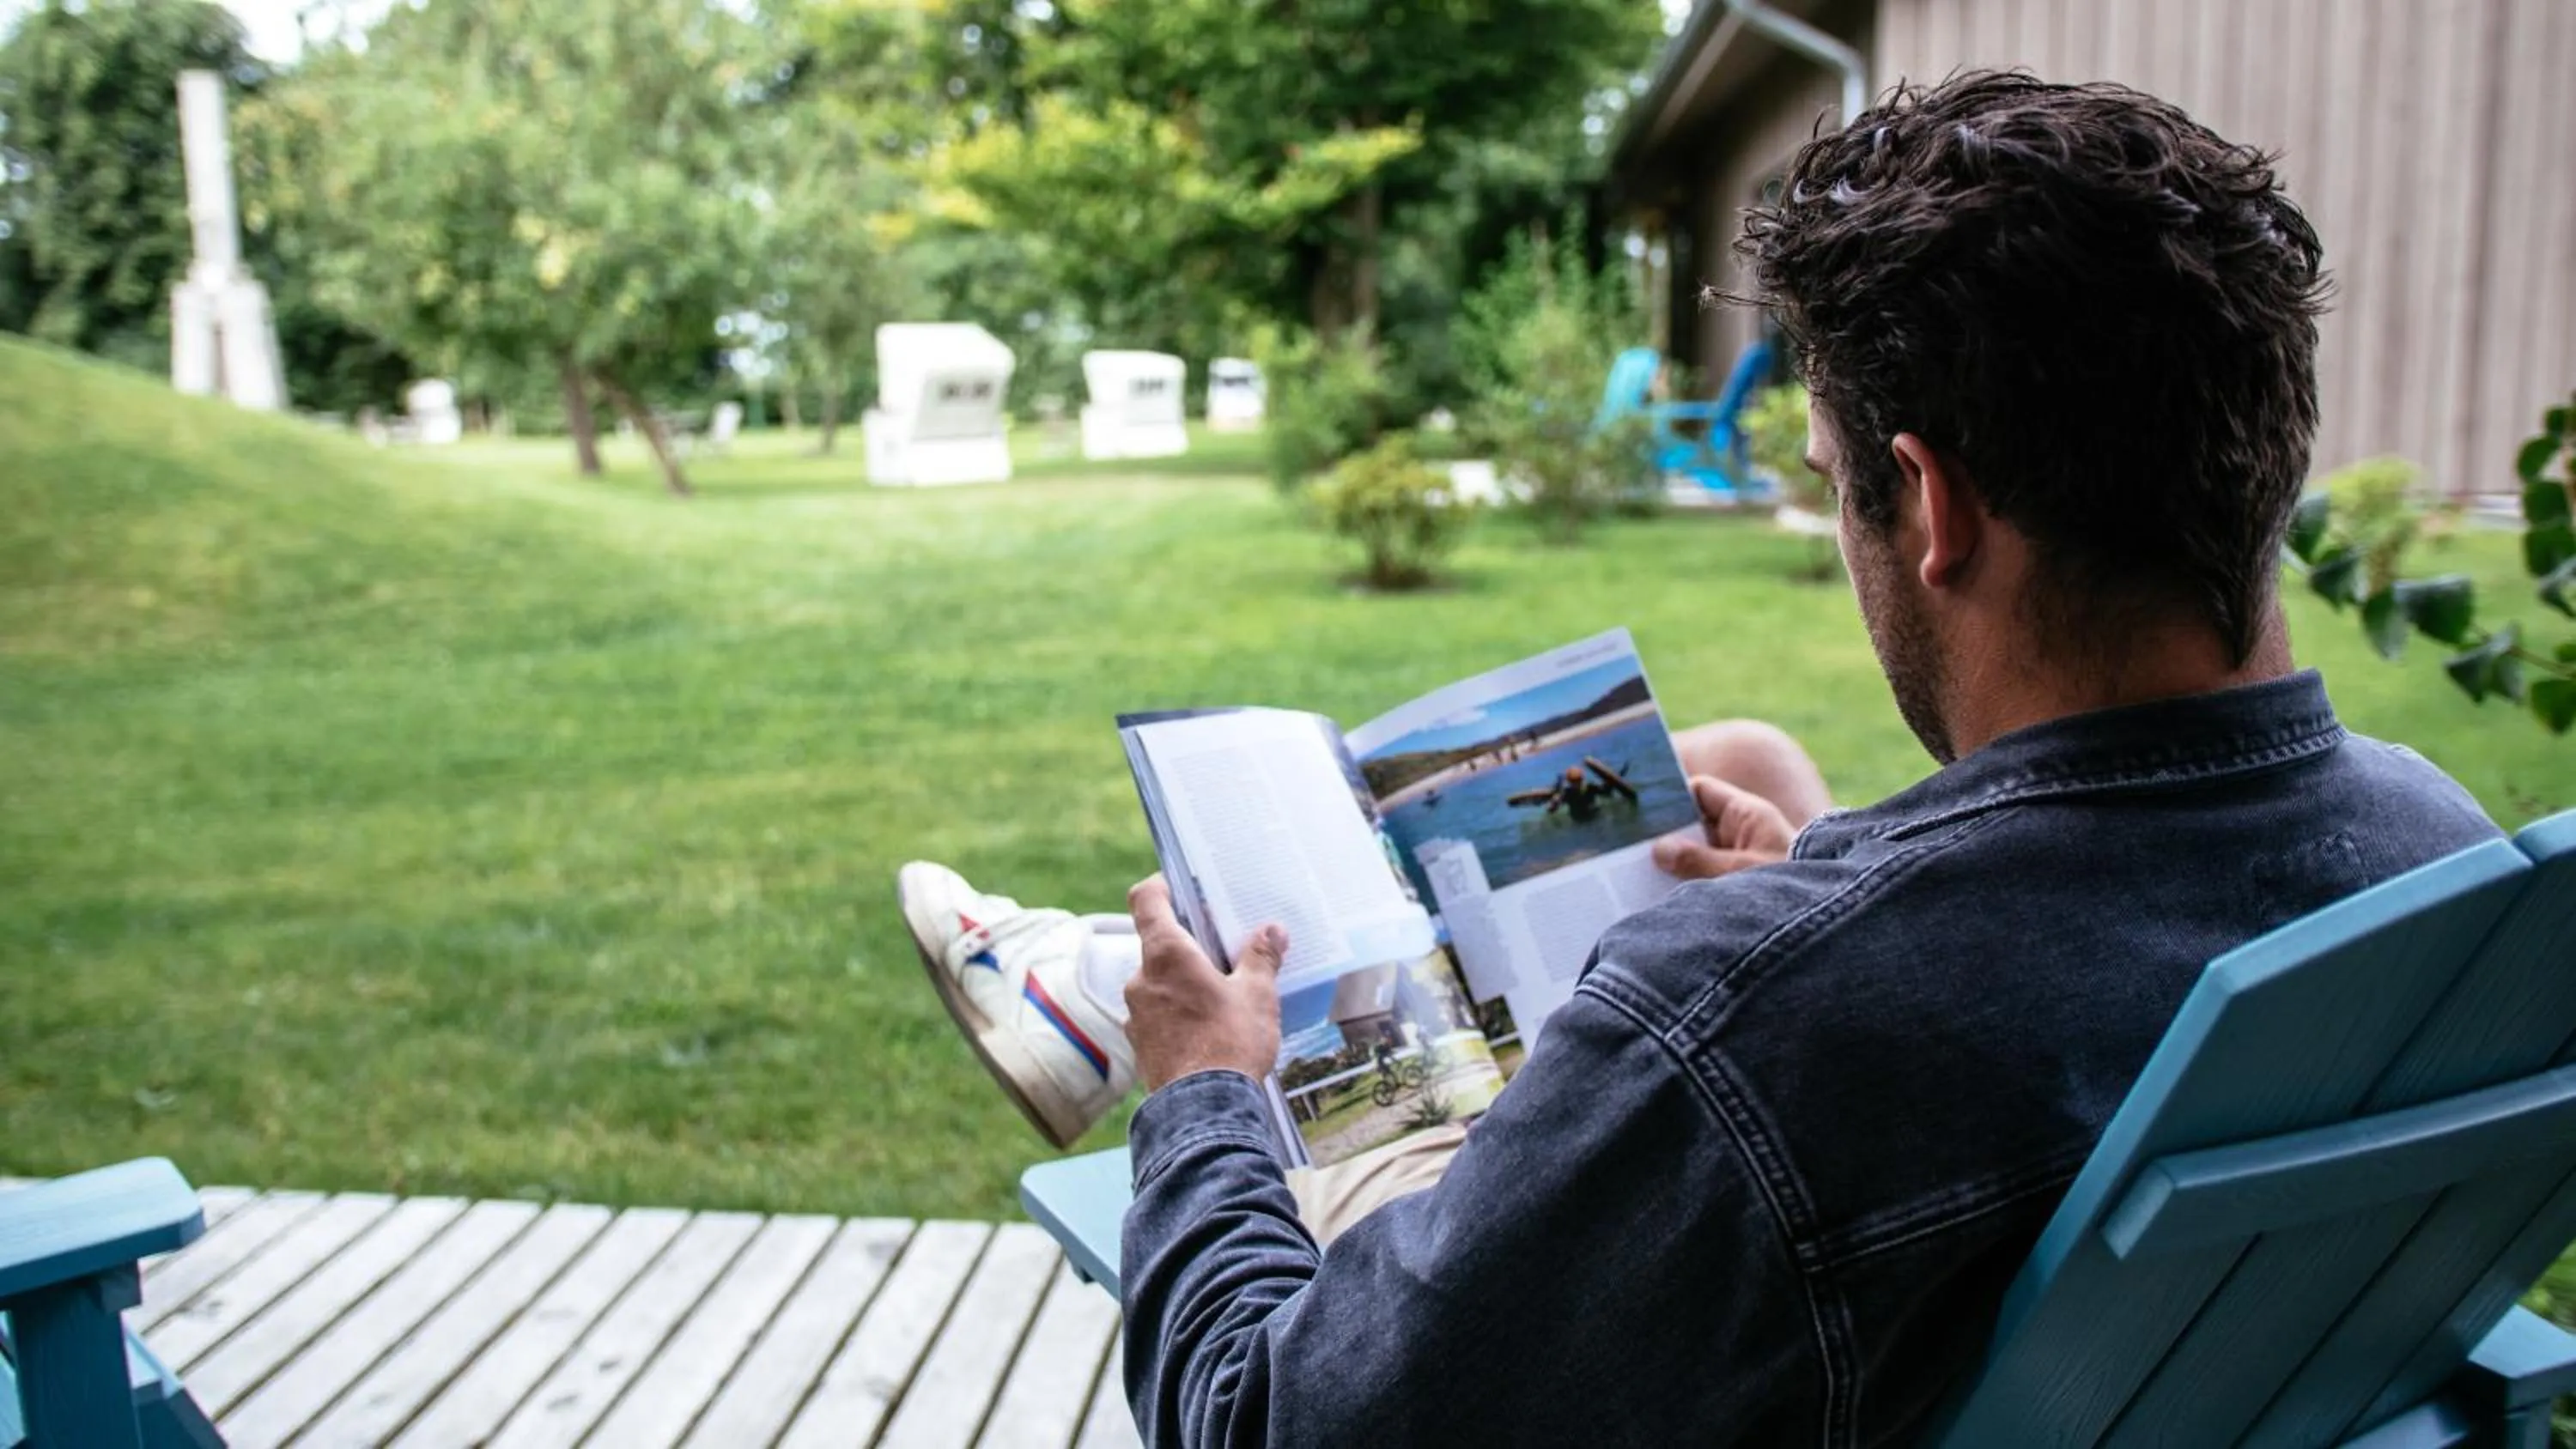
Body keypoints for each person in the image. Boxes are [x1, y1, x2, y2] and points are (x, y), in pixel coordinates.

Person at [951, 71, 2506, 1445]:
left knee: (1285, 1085)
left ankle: (1120, 1003)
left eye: (1837, 486)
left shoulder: (1745, 1020)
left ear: (1933, 505)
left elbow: (1260, 1421)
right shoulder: (2442, 868)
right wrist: (1824, 903)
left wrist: (1207, 1101)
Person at [898, 719, 1833, 1242]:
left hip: (1560, 1204)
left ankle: (1091, 988)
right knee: (1748, 759)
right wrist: (1800, 915)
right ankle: (1092, 978)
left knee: (1329, 1015)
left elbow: (1253, 1398)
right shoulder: (1962, 907)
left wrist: (1198, 1091)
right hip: (1742, 1108)